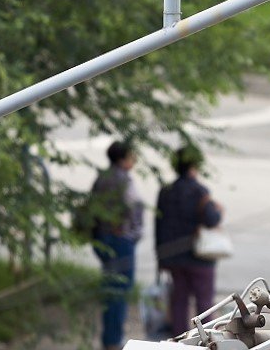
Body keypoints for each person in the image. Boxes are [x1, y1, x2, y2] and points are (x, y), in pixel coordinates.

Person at [155, 145, 223, 335]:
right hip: (200, 256)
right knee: (204, 304)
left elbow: (158, 226)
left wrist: (161, 259)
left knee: (179, 302)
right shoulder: (199, 191)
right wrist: (218, 210)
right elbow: (211, 220)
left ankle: (179, 341)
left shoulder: (165, 191)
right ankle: (207, 340)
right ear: (195, 164)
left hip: (173, 256)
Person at [90, 140, 145, 350]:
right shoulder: (124, 180)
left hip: (102, 239)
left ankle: (109, 337)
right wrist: (135, 232)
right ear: (123, 158)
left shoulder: (101, 178)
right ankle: (115, 339)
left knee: (109, 287)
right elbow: (135, 207)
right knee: (121, 289)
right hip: (121, 239)